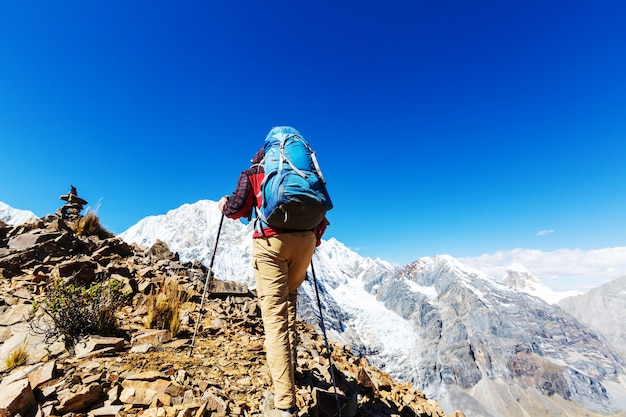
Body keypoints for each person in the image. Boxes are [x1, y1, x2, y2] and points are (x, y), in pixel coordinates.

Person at [218, 144, 328, 417]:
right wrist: (309, 241)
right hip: (305, 242)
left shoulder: (254, 171)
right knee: (289, 305)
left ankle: (284, 404)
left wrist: (223, 204)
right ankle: (288, 371)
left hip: (270, 243)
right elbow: (321, 214)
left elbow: (237, 208)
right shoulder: (305, 170)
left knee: (275, 321)